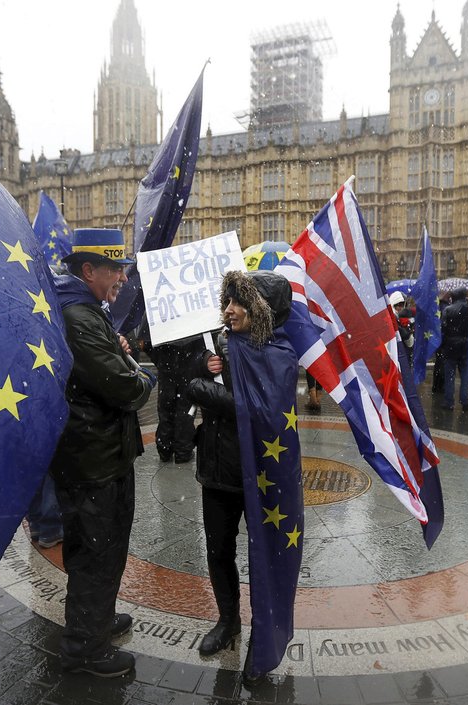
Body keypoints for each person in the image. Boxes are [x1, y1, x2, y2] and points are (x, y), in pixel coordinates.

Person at [184, 269, 300, 684]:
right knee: (218, 552)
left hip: (261, 474)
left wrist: (202, 388)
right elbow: (188, 382)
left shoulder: (279, 352)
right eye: (227, 302)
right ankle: (228, 621)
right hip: (217, 470)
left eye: (238, 303)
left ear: (260, 310)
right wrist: (200, 367)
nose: (228, 310)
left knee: (264, 558)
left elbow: (255, 409)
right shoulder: (218, 343)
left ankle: (262, 638)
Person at [49, 228, 156, 677]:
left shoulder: (91, 313)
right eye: (114, 269)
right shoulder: (78, 317)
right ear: (88, 269)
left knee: (107, 547)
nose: (122, 277)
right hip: (91, 459)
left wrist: (119, 351)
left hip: (104, 454)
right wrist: (143, 379)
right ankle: (84, 649)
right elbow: (123, 388)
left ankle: (96, 620)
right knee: (95, 551)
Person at [148, 335, 202, 463]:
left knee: (166, 410)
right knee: (185, 412)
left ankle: (165, 448)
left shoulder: (157, 318)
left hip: (168, 368)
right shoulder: (196, 319)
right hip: (188, 369)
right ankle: (182, 450)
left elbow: (146, 343)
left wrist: (161, 361)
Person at [440, 287, 468, 411]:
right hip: (465, 347)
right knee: (465, 375)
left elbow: (443, 328)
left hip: (450, 347)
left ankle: (449, 402)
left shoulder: (448, 310)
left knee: (450, 376)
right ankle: (465, 401)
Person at [390, 291, 415, 365]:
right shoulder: (391, 320)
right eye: (399, 305)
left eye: (404, 305)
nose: (402, 308)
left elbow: (410, 342)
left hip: (406, 356)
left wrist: (408, 326)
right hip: (397, 357)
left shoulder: (405, 319)